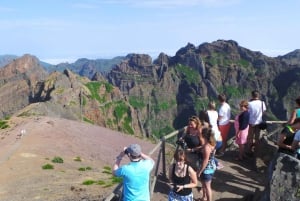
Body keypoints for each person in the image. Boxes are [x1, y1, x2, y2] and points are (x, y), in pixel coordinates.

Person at [197, 128, 217, 201]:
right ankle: (204, 198)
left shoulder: (206, 147)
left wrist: (200, 171)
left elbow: (205, 161)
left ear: (204, 135)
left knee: (208, 187)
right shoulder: (212, 143)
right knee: (204, 184)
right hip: (211, 167)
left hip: (206, 170)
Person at [246, 90, 267, 156]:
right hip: (259, 123)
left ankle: (249, 151)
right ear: (258, 95)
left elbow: (247, 113)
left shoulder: (249, 104)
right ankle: (256, 151)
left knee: (250, 138)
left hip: (251, 123)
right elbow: (264, 112)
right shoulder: (262, 103)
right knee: (257, 138)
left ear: (252, 95)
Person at [206, 101, 224, 169]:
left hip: (211, 133)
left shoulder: (206, 113)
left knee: (209, 151)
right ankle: (215, 162)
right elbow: (217, 120)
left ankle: (216, 163)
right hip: (217, 133)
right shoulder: (216, 112)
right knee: (213, 150)